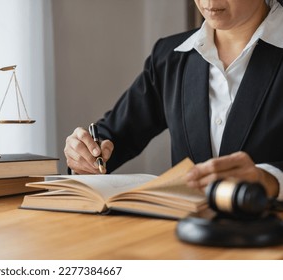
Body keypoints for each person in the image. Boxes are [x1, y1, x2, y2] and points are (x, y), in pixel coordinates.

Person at [64, 0, 283, 199]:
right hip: (185, 234)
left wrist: (269, 180)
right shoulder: (170, 57)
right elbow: (114, 135)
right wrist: (85, 155)